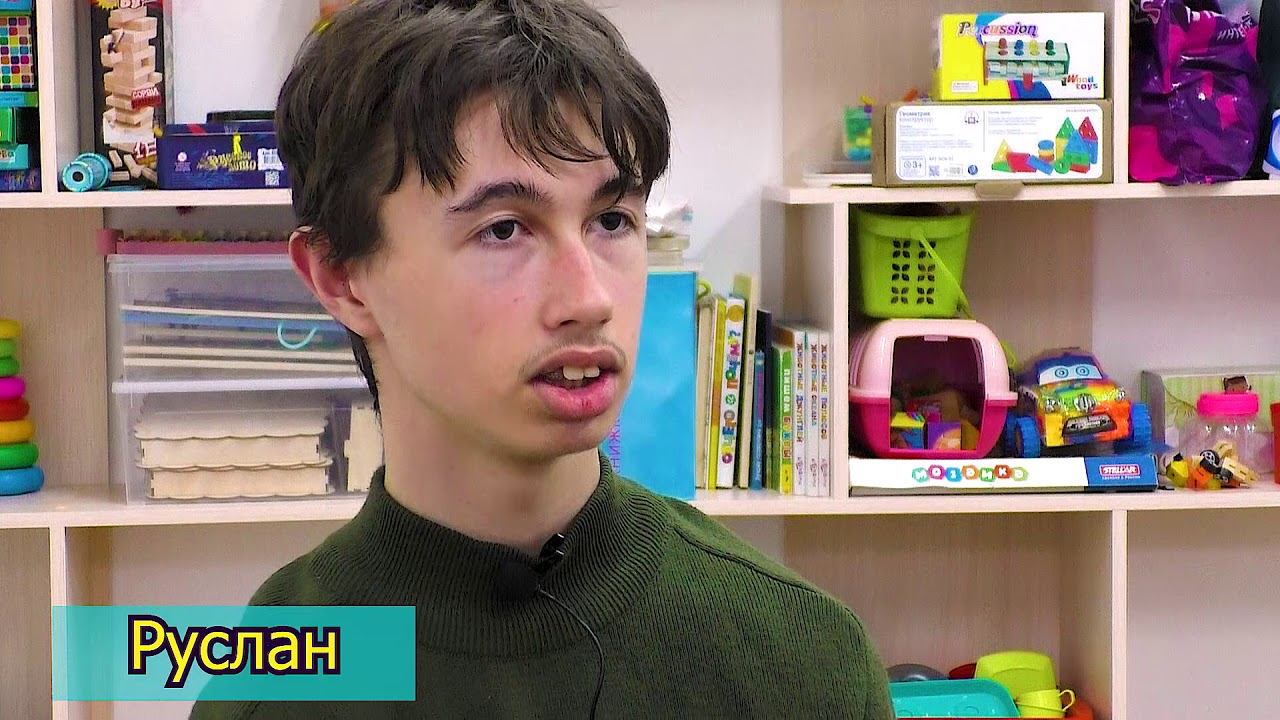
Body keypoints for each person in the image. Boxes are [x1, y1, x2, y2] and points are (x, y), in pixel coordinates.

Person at [192, 1, 892, 717]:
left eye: (611, 220)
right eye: (504, 231)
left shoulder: (805, 661)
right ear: (342, 278)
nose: (589, 299)